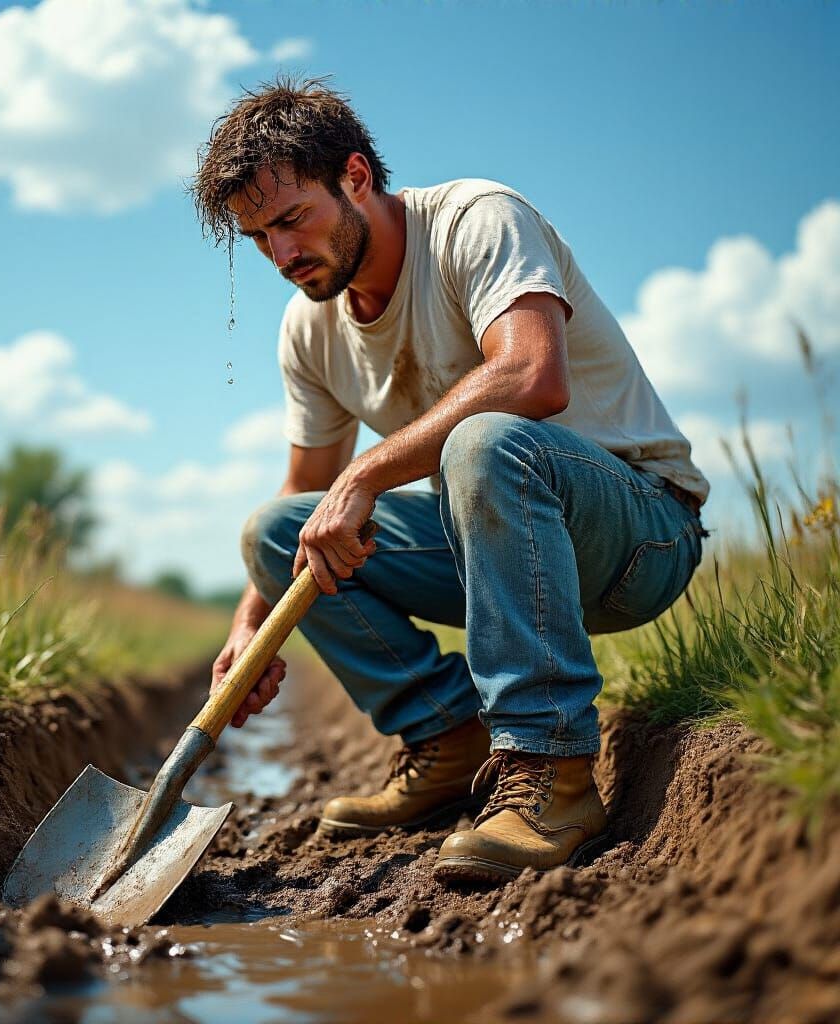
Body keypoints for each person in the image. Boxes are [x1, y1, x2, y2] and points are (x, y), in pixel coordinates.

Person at [190, 78, 709, 884]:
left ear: (355, 178)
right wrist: (246, 634)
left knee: (484, 441)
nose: (283, 256)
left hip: (638, 533)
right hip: (497, 550)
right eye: (260, 238)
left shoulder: (476, 219)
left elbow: (534, 374)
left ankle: (554, 771)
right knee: (277, 531)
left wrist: (370, 469)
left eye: (294, 219)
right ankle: (444, 735)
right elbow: (309, 500)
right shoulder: (309, 329)